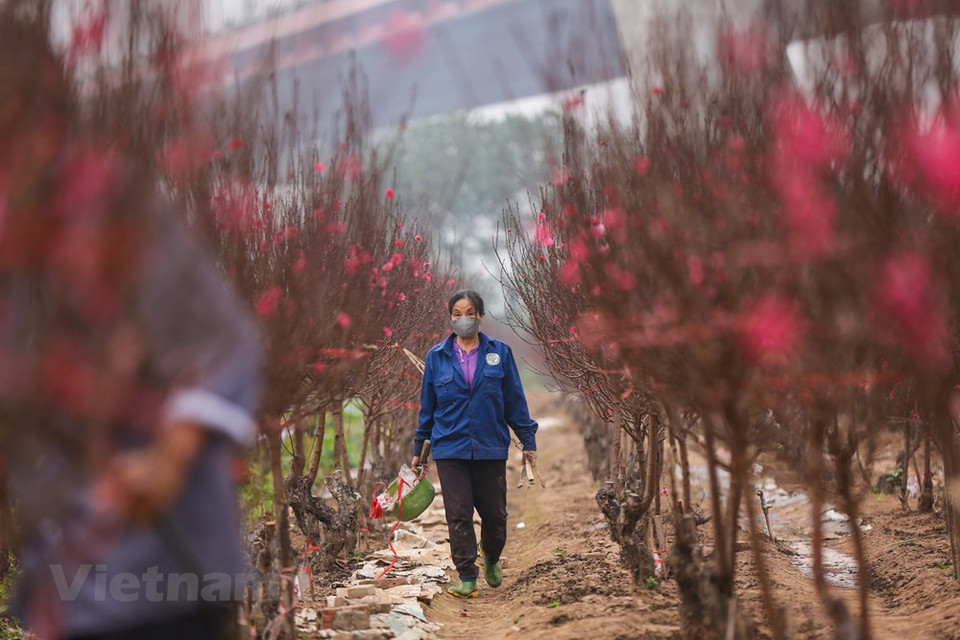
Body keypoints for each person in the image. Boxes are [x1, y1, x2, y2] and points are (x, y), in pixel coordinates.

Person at [0, 10, 261, 639]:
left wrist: (170, 456)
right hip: (62, 573)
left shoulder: (114, 204)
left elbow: (223, 343)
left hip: (166, 565)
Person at [411, 289, 538, 598]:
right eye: (456, 314)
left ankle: (491, 555)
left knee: (495, 516)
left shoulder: (500, 353)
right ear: (450, 318)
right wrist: (419, 452)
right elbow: (427, 408)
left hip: (490, 446)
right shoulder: (437, 357)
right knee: (458, 514)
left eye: (469, 313)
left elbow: (514, 401)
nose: (463, 319)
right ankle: (467, 575)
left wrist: (528, 441)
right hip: (450, 447)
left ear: (480, 316)